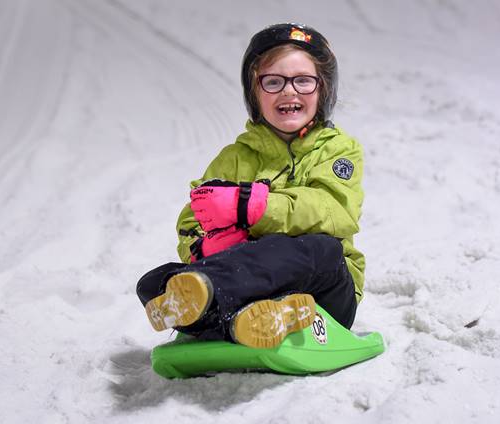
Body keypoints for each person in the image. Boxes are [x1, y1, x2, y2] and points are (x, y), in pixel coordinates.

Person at [136, 23, 365, 349]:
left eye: (303, 81)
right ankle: (252, 321)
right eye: (273, 82)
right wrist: (205, 247)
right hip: (247, 285)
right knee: (156, 281)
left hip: (325, 294)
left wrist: (252, 207)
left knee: (321, 248)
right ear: (254, 95)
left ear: (323, 90)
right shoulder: (233, 159)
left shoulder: (339, 149)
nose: (289, 91)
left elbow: (335, 209)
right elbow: (192, 220)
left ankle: (217, 313)